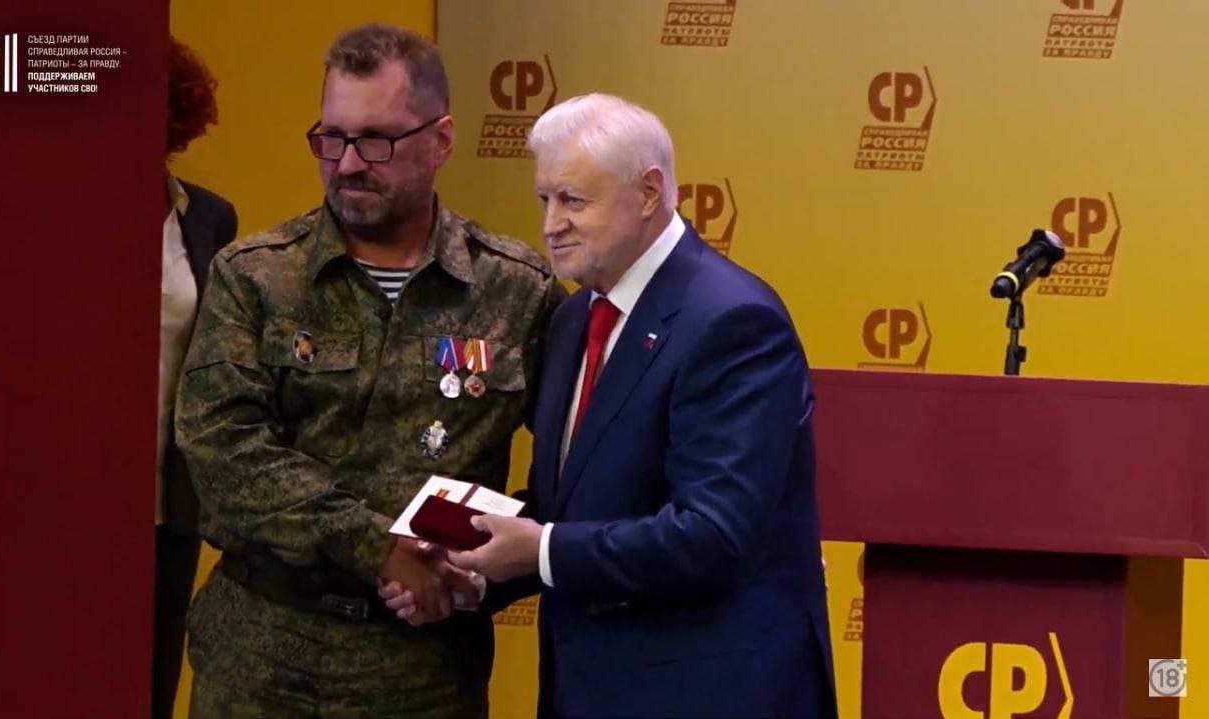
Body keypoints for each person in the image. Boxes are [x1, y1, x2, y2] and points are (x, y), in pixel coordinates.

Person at [174, 23, 563, 718]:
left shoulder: (517, 290)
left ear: (441, 140)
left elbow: (577, 474)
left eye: (377, 141)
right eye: (332, 138)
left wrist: (479, 579)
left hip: (424, 672)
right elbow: (222, 451)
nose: (348, 163)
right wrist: (377, 545)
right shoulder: (256, 276)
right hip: (263, 662)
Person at [438, 93, 837, 717]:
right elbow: (574, 504)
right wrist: (472, 567)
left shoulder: (733, 322)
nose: (551, 225)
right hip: (589, 689)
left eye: (574, 200)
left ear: (649, 193)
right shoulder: (574, 319)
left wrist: (540, 550)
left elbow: (713, 536)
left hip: (709, 695)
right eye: (544, 200)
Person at [153, 36, 238, 719]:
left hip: (168, 502)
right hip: (60, 496)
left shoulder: (207, 217)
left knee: (150, 682)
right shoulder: (50, 215)